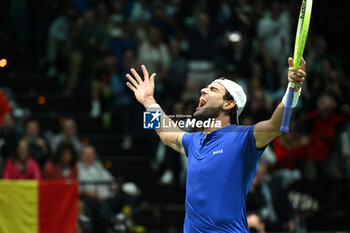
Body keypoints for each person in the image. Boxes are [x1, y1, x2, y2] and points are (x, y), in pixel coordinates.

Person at [125, 55, 306, 232]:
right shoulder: (194, 141)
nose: (203, 90)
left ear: (228, 104)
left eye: (213, 90)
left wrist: (293, 89)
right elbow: (166, 134)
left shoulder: (243, 138)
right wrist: (148, 101)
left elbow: (275, 126)